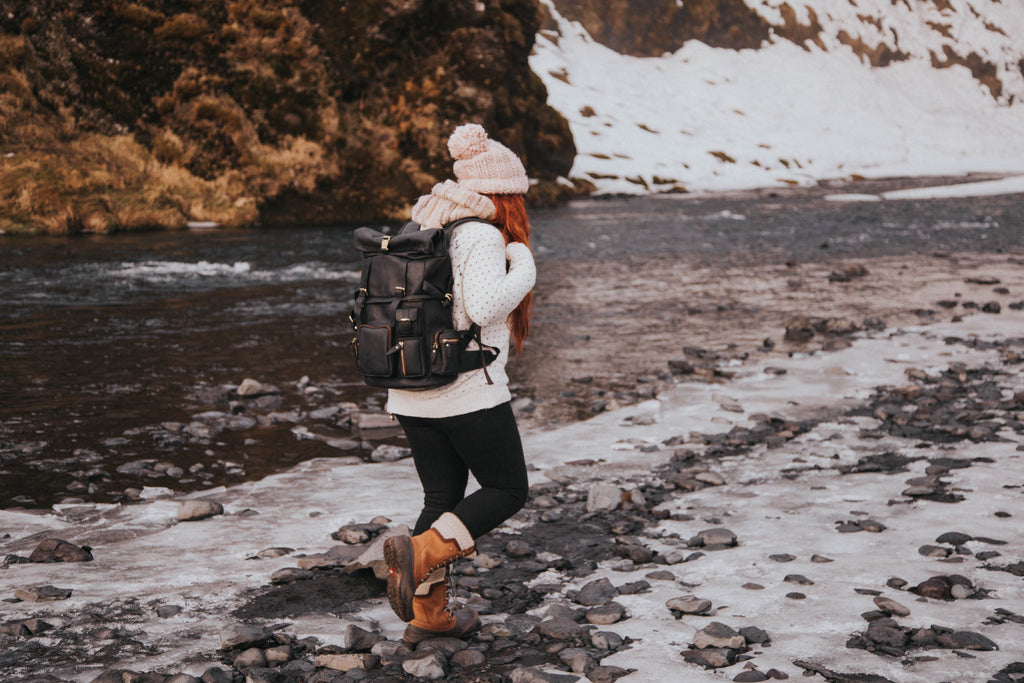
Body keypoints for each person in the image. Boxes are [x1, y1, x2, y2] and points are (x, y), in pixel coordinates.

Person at [381, 123, 537, 644]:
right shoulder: (481, 234)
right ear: (504, 193)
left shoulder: (422, 224)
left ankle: (429, 618)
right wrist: (526, 268)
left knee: (442, 496)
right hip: (465, 388)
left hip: (408, 387)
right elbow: (487, 304)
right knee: (506, 489)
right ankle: (422, 552)